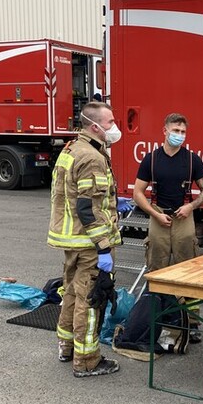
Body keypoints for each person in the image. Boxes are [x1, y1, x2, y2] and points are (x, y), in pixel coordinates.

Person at [47, 101, 122, 377]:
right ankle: (87, 360)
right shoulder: (92, 157)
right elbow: (86, 208)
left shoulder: (70, 149)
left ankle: (66, 347)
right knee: (90, 300)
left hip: (71, 240)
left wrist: (113, 201)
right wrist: (103, 247)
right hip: (89, 242)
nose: (114, 127)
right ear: (94, 126)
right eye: (110, 122)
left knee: (70, 294)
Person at [133, 113, 203, 344]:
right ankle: (156, 318)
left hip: (183, 216)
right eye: (175, 131)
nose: (179, 136)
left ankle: (192, 322)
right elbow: (138, 192)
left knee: (189, 270)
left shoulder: (192, 160)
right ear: (164, 131)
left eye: (183, 132)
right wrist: (155, 214)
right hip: (158, 215)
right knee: (157, 269)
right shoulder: (151, 160)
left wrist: (191, 207)